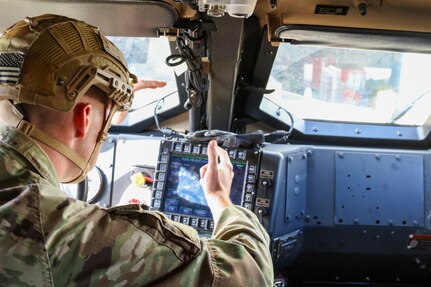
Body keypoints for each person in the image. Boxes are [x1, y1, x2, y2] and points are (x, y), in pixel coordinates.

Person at [0, 14, 273, 286]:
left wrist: (103, 107)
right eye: (105, 121)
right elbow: (248, 275)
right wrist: (220, 198)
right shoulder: (58, 229)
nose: (105, 135)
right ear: (84, 119)